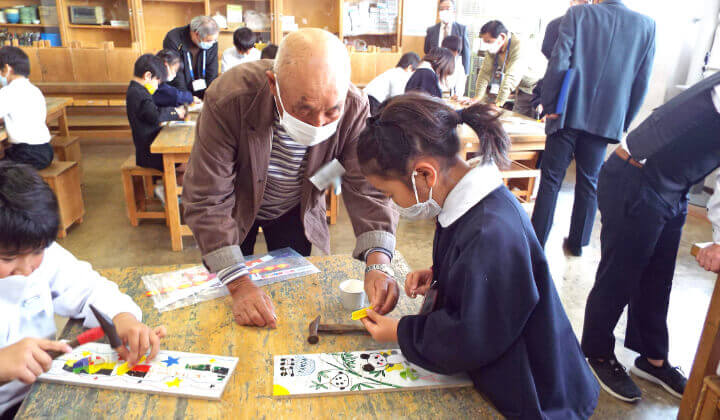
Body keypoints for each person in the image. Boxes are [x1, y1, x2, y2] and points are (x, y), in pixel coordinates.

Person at [356, 93, 599, 419]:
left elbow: (472, 336)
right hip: (508, 356)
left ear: (423, 174)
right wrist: (442, 273)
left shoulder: (489, 232)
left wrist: (401, 332)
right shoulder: (470, 203)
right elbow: (483, 280)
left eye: (389, 194)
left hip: (537, 392)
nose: (393, 203)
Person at [181, 29, 399, 329]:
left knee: (292, 297)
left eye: (331, 112)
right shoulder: (230, 98)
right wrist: (239, 285)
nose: (318, 123)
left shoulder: (354, 106)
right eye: (304, 109)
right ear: (273, 84)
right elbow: (207, 196)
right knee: (232, 300)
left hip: (294, 207)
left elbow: (367, 187)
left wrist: (379, 262)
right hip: (233, 209)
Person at [581, 73, 720, 403]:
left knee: (658, 277)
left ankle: (652, 359)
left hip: (673, 185)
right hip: (636, 177)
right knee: (621, 274)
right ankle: (597, 354)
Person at [0, 161, 166, 419]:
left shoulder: (39, 251)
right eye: (8, 258)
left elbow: (90, 289)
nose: (26, 268)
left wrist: (123, 318)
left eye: (36, 252)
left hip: (43, 390)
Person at [531, 0, 656, 257]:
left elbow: (559, 60)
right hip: (606, 118)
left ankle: (536, 242)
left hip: (567, 111)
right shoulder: (647, 26)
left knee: (551, 179)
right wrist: (623, 122)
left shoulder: (578, 14)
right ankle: (578, 243)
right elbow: (642, 81)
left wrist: (549, 103)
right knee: (589, 181)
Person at [472, 20, 545, 117]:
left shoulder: (519, 45)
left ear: (502, 37)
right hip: (522, 89)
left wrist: (498, 104)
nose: (487, 45)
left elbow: (512, 76)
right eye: (484, 42)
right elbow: (485, 73)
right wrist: (477, 98)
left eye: (489, 41)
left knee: (534, 124)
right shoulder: (493, 47)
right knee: (517, 119)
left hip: (539, 89)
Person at [126, 54, 185, 173]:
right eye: (157, 81)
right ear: (147, 75)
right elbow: (155, 116)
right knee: (188, 164)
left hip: (149, 146)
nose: (157, 86)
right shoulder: (139, 94)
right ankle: (166, 189)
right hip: (150, 153)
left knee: (186, 161)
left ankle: (168, 185)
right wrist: (175, 112)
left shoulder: (136, 90)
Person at [532, 0, 591, 117]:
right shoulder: (555, 25)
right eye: (583, 1)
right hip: (558, 89)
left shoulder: (592, 28)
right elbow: (553, 62)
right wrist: (544, 103)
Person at [0, 47, 52, 170]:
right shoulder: (34, 89)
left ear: (7, 69)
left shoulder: (8, 91)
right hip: (45, 150)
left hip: (27, 153)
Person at [162, 16, 219, 99]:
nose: (212, 43)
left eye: (214, 40)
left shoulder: (212, 42)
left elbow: (212, 71)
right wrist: (186, 98)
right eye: (209, 41)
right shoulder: (174, 38)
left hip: (202, 89)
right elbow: (176, 72)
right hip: (179, 91)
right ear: (196, 34)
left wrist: (210, 96)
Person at [424, 0, 470, 74]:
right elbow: (426, 50)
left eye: (448, 8)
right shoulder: (431, 30)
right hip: (434, 70)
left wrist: (465, 73)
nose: (445, 11)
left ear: (454, 11)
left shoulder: (462, 29)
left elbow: (466, 53)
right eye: (442, 9)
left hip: (453, 71)